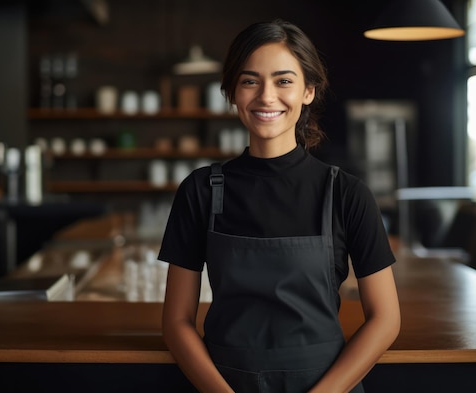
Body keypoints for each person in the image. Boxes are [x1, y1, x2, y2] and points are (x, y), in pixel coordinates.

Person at [159, 19, 401, 393]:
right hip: (224, 382)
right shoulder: (200, 190)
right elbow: (176, 322)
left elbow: (386, 319)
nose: (266, 97)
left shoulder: (347, 193)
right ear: (232, 93)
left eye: (284, 81)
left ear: (309, 91)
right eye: (250, 80)